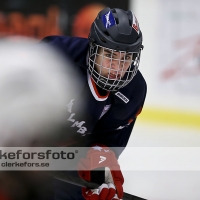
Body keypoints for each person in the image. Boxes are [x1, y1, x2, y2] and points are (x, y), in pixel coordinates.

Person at [41, 7, 147, 200]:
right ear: (93, 48)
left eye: (126, 58)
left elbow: (106, 144)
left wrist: (99, 166)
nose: (117, 68)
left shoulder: (133, 91)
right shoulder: (54, 57)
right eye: (110, 55)